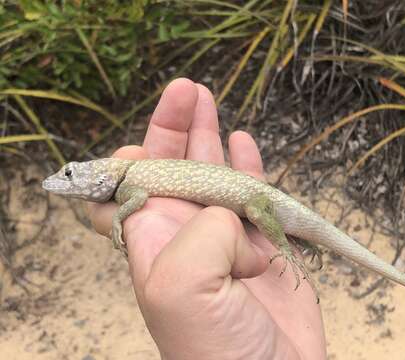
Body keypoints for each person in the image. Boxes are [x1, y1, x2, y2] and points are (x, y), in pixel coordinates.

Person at [88, 78, 327, 360]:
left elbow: (138, 200)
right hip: (249, 199)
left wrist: (119, 218)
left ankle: (288, 248)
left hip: (256, 198)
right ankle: (295, 242)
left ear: (100, 171)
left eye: (70, 174)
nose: (65, 180)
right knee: (257, 215)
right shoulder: (129, 176)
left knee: (257, 213)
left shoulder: (128, 182)